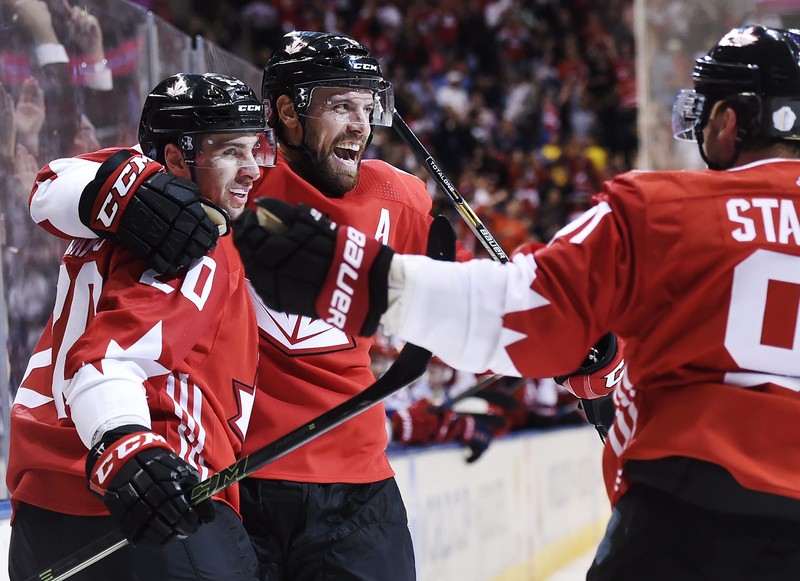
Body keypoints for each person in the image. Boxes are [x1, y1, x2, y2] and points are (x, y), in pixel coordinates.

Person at [233, 25, 800, 580]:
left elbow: (521, 314)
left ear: (728, 122)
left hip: (691, 517)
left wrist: (362, 280)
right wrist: (603, 379)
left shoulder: (661, 208)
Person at [29, 31, 620, 580]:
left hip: (356, 492)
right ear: (288, 113)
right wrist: (120, 194)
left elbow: (461, 305)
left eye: (368, 109)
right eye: (342, 107)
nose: (360, 127)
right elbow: (57, 183)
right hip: (240, 485)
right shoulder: (235, 175)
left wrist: (559, 338)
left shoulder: (400, 199)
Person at [7, 72, 275, 580]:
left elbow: (50, 185)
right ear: (176, 159)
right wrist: (125, 444)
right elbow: (108, 359)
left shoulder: (108, 213)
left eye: (253, 149)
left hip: (41, 510)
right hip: (154, 498)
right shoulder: (197, 236)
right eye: (230, 152)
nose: (250, 171)